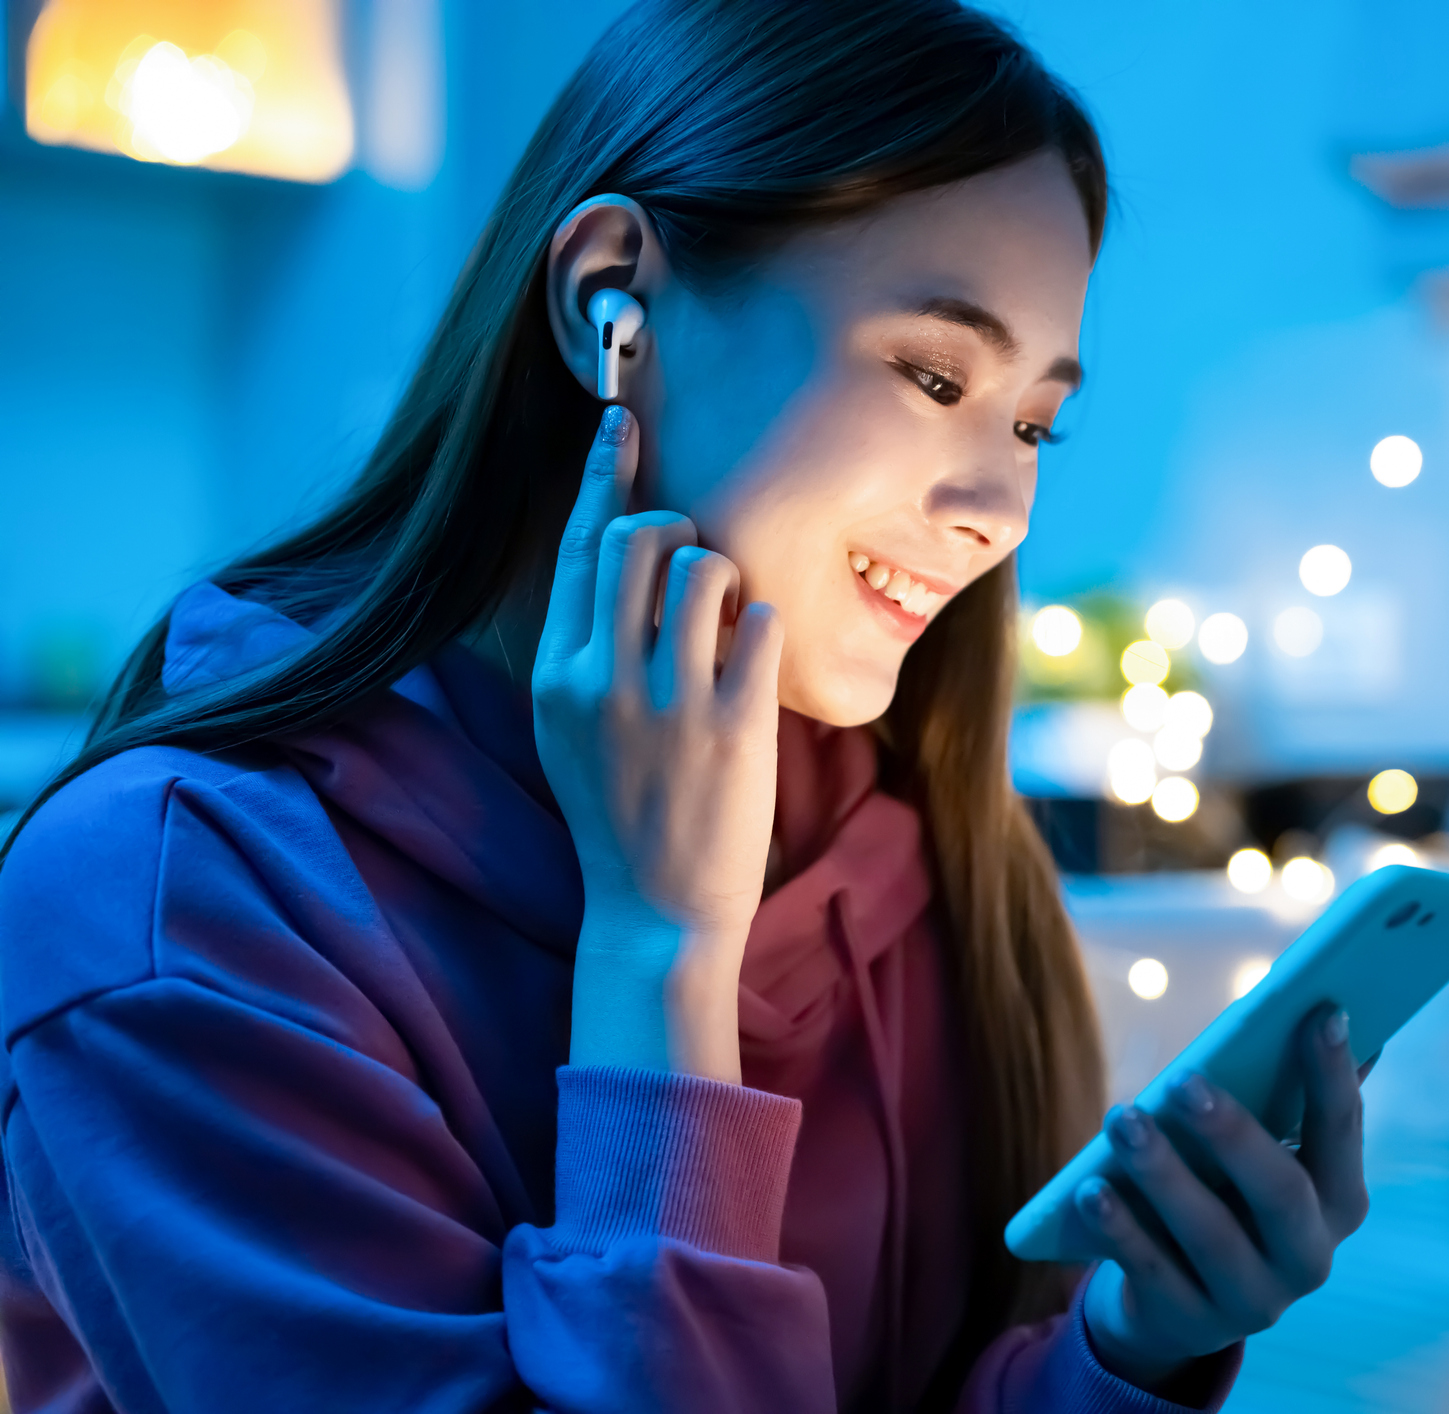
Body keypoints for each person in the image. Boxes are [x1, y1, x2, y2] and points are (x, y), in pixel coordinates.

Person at [0, 1, 1370, 1409]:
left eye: (1030, 422)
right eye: (932, 373)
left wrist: (1129, 1346)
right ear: (614, 302)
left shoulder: (913, 843)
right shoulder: (160, 901)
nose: (1000, 509)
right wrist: (660, 960)